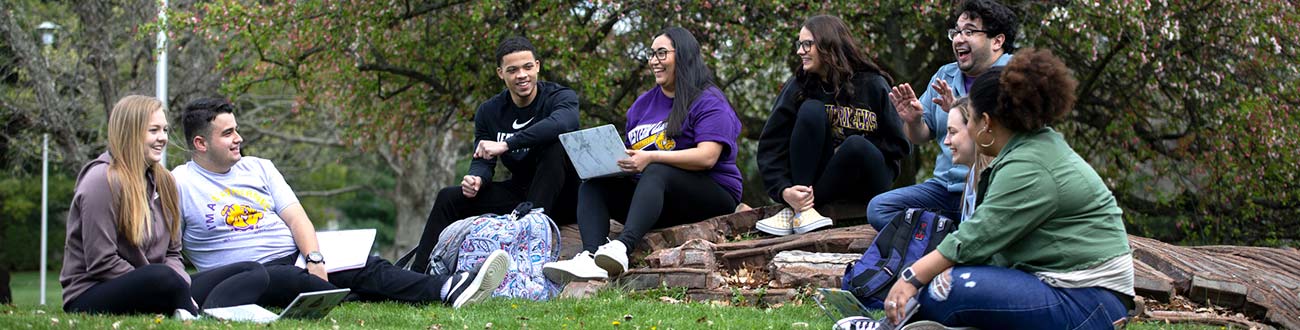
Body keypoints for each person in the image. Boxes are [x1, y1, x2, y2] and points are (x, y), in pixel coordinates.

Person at [872, 49, 1134, 329]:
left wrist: (911, 277)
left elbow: (977, 236)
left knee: (948, 288)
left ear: (986, 123)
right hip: (1063, 287)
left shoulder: (1029, 164)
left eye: (970, 119)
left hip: (1088, 300)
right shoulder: (1029, 149)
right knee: (950, 281)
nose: (967, 128)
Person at [172, 97, 509, 309]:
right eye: (228, 133)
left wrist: (314, 257)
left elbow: (296, 217)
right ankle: (429, 289)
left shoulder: (258, 166)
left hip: (298, 257)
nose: (239, 139)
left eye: (237, 129)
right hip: (250, 273)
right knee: (317, 282)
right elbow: (168, 246)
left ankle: (450, 287)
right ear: (200, 143)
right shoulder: (179, 184)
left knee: (367, 266)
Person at [541, 27, 743, 282]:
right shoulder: (642, 105)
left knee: (657, 170)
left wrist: (650, 157)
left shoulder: (708, 100)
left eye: (662, 53)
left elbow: (707, 157)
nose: (654, 61)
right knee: (594, 185)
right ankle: (591, 257)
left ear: (684, 56)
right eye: (651, 54)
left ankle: (622, 248)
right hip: (656, 198)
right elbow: (635, 157)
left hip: (712, 193)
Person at [61, 95, 268, 316]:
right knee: (161, 277)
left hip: (161, 285)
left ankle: (208, 312)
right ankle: (190, 314)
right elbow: (102, 262)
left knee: (252, 271)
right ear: (130, 132)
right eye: (154, 131)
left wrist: (181, 287)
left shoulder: (165, 181)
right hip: (94, 291)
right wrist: (160, 287)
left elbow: (172, 252)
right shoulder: (101, 180)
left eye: (165, 130)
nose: (163, 138)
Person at [409, 36, 580, 274]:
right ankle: (418, 275)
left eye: (528, 67)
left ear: (538, 66)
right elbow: (482, 159)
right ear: (501, 73)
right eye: (513, 70)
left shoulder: (559, 97)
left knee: (556, 145)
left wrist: (508, 144)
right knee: (448, 197)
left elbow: (565, 123)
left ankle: (529, 243)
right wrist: (476, 178)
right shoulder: (489, 111)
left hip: (563, 196)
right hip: (521, 195)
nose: (522, 75)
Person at [866, 0, 1017, 230]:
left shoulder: (1017, 77)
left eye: (969, 31)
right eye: (956, 32)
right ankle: (947, 236)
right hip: (946, 188)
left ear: (997, 41)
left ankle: (948, 238)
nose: (958, 39)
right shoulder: (945, 74)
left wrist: (960, 109)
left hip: (996, 188)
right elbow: (920, 135)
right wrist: (914, 120)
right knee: (879, 209)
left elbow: (1018, 140)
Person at [755, 15, 909, 236]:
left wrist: (848, 150)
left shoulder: (873, 84)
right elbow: (772, 144)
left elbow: (899, 145)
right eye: (799, 45)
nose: (800, 51)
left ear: (828, 45)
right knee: (810, 110)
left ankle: (801, 208)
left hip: (867, 179)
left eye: (807, 44)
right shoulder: (800, 86)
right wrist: (784, 191)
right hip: (819, 181)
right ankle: (800, 207)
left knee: (855, 145)